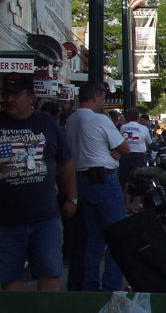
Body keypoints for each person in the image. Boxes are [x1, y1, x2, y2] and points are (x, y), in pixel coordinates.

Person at [0, 73, 78, 291]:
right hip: (6, 220)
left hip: (45, 218)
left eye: (16, 94)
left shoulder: (46, 124)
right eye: (6, 94)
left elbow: (66, 162)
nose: (9, 100)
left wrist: (72, 198)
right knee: (10, 278)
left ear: (31, 97)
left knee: (49, 274)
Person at [65, 81, 128, 292]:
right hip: (104, 180)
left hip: (81, 180)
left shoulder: (72, 119)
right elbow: (125, 147)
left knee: (93, 237)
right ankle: (111, 286)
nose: (102, 103)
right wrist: (115, 150)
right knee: (118, 235)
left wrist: (110, 151)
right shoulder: (99, 118)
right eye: (101, 99)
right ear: (95, 97)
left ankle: (89, 286)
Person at [119, 108, 152, 210]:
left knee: (127, 180)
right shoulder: (144, 128)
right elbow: (149, 142)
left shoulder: (123, 127)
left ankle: (126, 204)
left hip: (126, 155)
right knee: (139, 180)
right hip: (139, 155)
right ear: (138, 118)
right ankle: (136, 205)